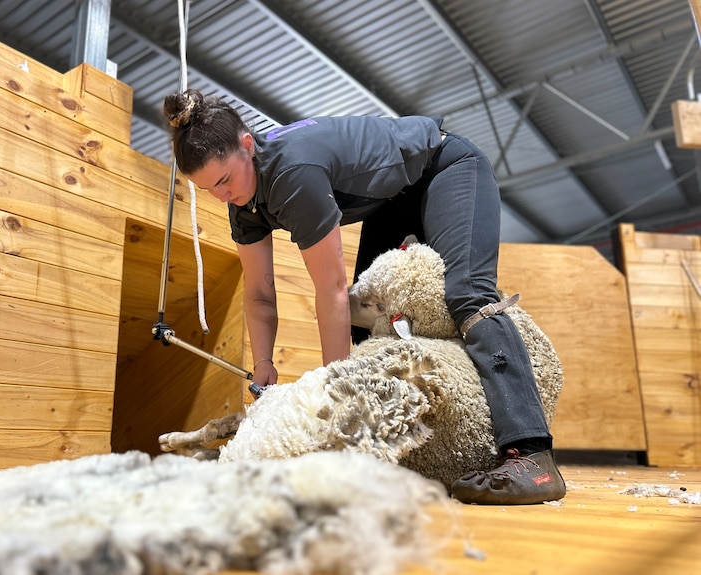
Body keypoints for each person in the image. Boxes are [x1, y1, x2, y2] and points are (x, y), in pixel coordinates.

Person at [162, 89, 566, 505]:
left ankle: (532, 453)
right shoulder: (242, 201)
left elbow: (330, 289)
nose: (222, 195)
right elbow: (261, 293)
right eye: (208, 188)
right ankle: (387, 451)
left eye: (225, 180)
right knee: (361, 319)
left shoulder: (291, 171)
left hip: (444, 166)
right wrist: (263, 363)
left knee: (466, 295)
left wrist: (332, 400)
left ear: (247, 145)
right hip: (392, 200)